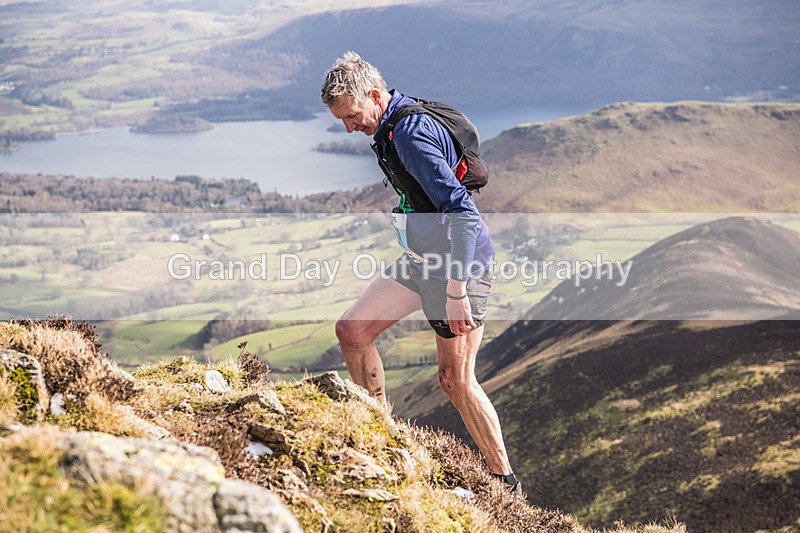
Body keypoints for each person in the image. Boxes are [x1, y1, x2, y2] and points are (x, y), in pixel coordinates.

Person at [320, 51, 522, 498]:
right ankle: (381, 438)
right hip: (423, 259)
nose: (349, 127)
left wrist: (456, 292)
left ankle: (506, 484)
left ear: (374, 95)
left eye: (352, 116)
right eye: (342, 120)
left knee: (456, 381)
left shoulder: (410, 135)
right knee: (352, 331)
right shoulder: (392, 120)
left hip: (458, 268)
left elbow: (463, 213)